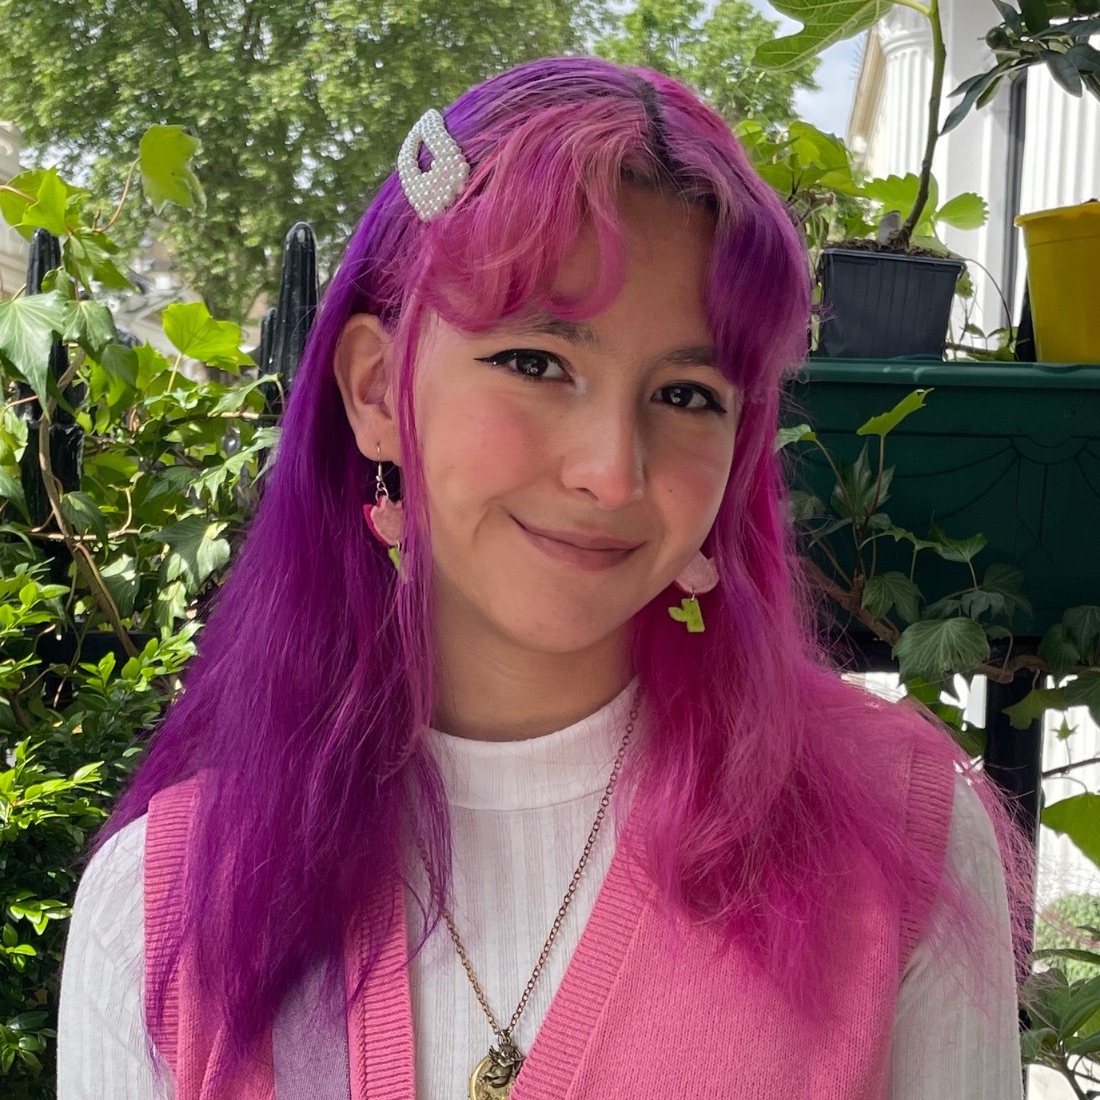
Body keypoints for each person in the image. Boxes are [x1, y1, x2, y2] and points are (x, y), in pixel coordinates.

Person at [58, 56, 1026, 1100]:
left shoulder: (901, 837)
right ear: (378, 391)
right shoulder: (160, 910)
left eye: (687, 394)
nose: (611, 472)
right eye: (534, 362)